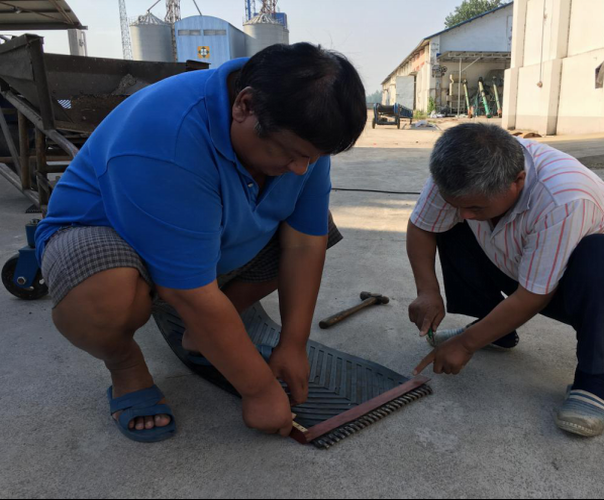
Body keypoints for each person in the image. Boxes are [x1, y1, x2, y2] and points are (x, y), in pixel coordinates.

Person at [34, 43, 367, 443]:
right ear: (244, 106)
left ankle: (202, 335)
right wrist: (259, 390)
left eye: (312, 158)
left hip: (204, 243)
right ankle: (125, 366)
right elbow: (187, 292)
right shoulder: (165, 136)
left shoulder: (301, 128)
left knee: (317, 227)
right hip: (108, 237)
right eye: (291, 154)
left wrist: (293, 344)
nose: (301, 169)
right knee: (108, 291)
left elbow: (304, 245)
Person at [407, 123, 604, 437]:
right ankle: (496, 332)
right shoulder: (457, 169)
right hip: (522, 266)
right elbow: (422, 226)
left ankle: (592, 381)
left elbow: (534, 296)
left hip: (596, 291)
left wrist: (466, 345)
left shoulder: (563, 198)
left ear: (518, 181)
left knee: (600, 256)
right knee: (451, 222)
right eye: (459, 204)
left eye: (476, 206)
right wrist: (427, 291)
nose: (465, 214)